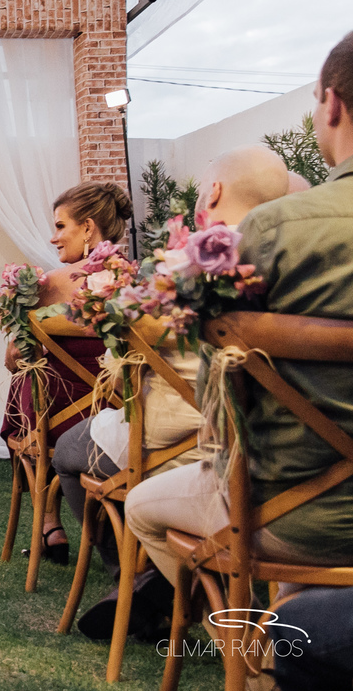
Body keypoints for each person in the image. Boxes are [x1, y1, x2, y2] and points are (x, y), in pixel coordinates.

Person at [127, 30, 353, 595]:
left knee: (142, 506)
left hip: (300, 513)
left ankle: (251, 665)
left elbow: (222, 393)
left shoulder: (278, 231)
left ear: (332, 104)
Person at [55, 147, 287, 641]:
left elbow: (128, 372)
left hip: (177, 440)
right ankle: (149, 584)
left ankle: (134, 580)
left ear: (215, 193)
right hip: (270, 446)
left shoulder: (182, 269)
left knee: (66, 453)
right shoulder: (287, 268)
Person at [1, 181, 132, 556]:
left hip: (58, 420)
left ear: (88, 227)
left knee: (25, 383)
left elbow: (15, 358)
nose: (53, 237)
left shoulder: (53, 284)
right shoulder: (138, 283)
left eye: (61, 226)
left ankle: (48, 524)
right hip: (122, 413)